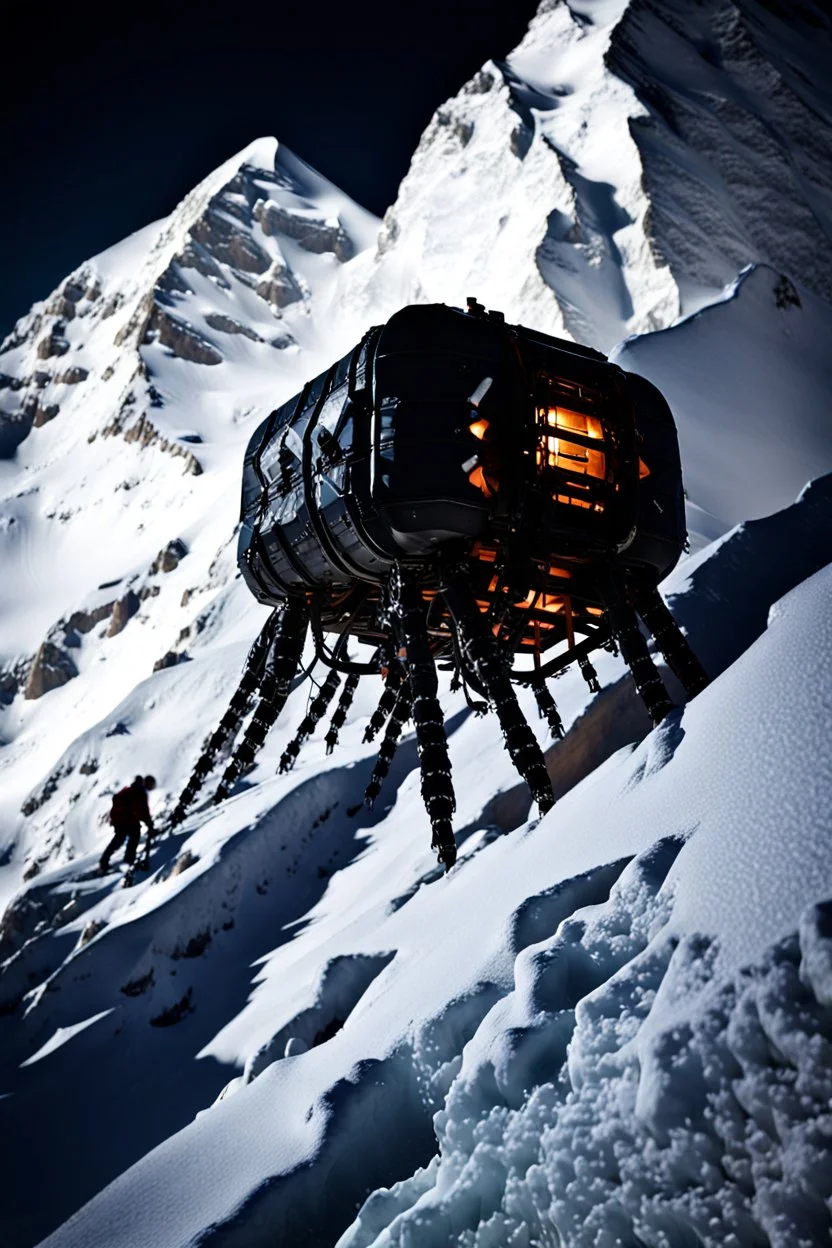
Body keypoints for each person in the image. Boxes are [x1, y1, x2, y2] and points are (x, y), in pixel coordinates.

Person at [99, 775, 156, 873]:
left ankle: (104, 861)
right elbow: (143, 811)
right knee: (134, 836)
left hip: (119, 819)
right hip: (127, 820)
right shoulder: (140, 793)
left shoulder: (131, 790)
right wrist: (149, 822)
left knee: (119, 839)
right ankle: (128, 861)